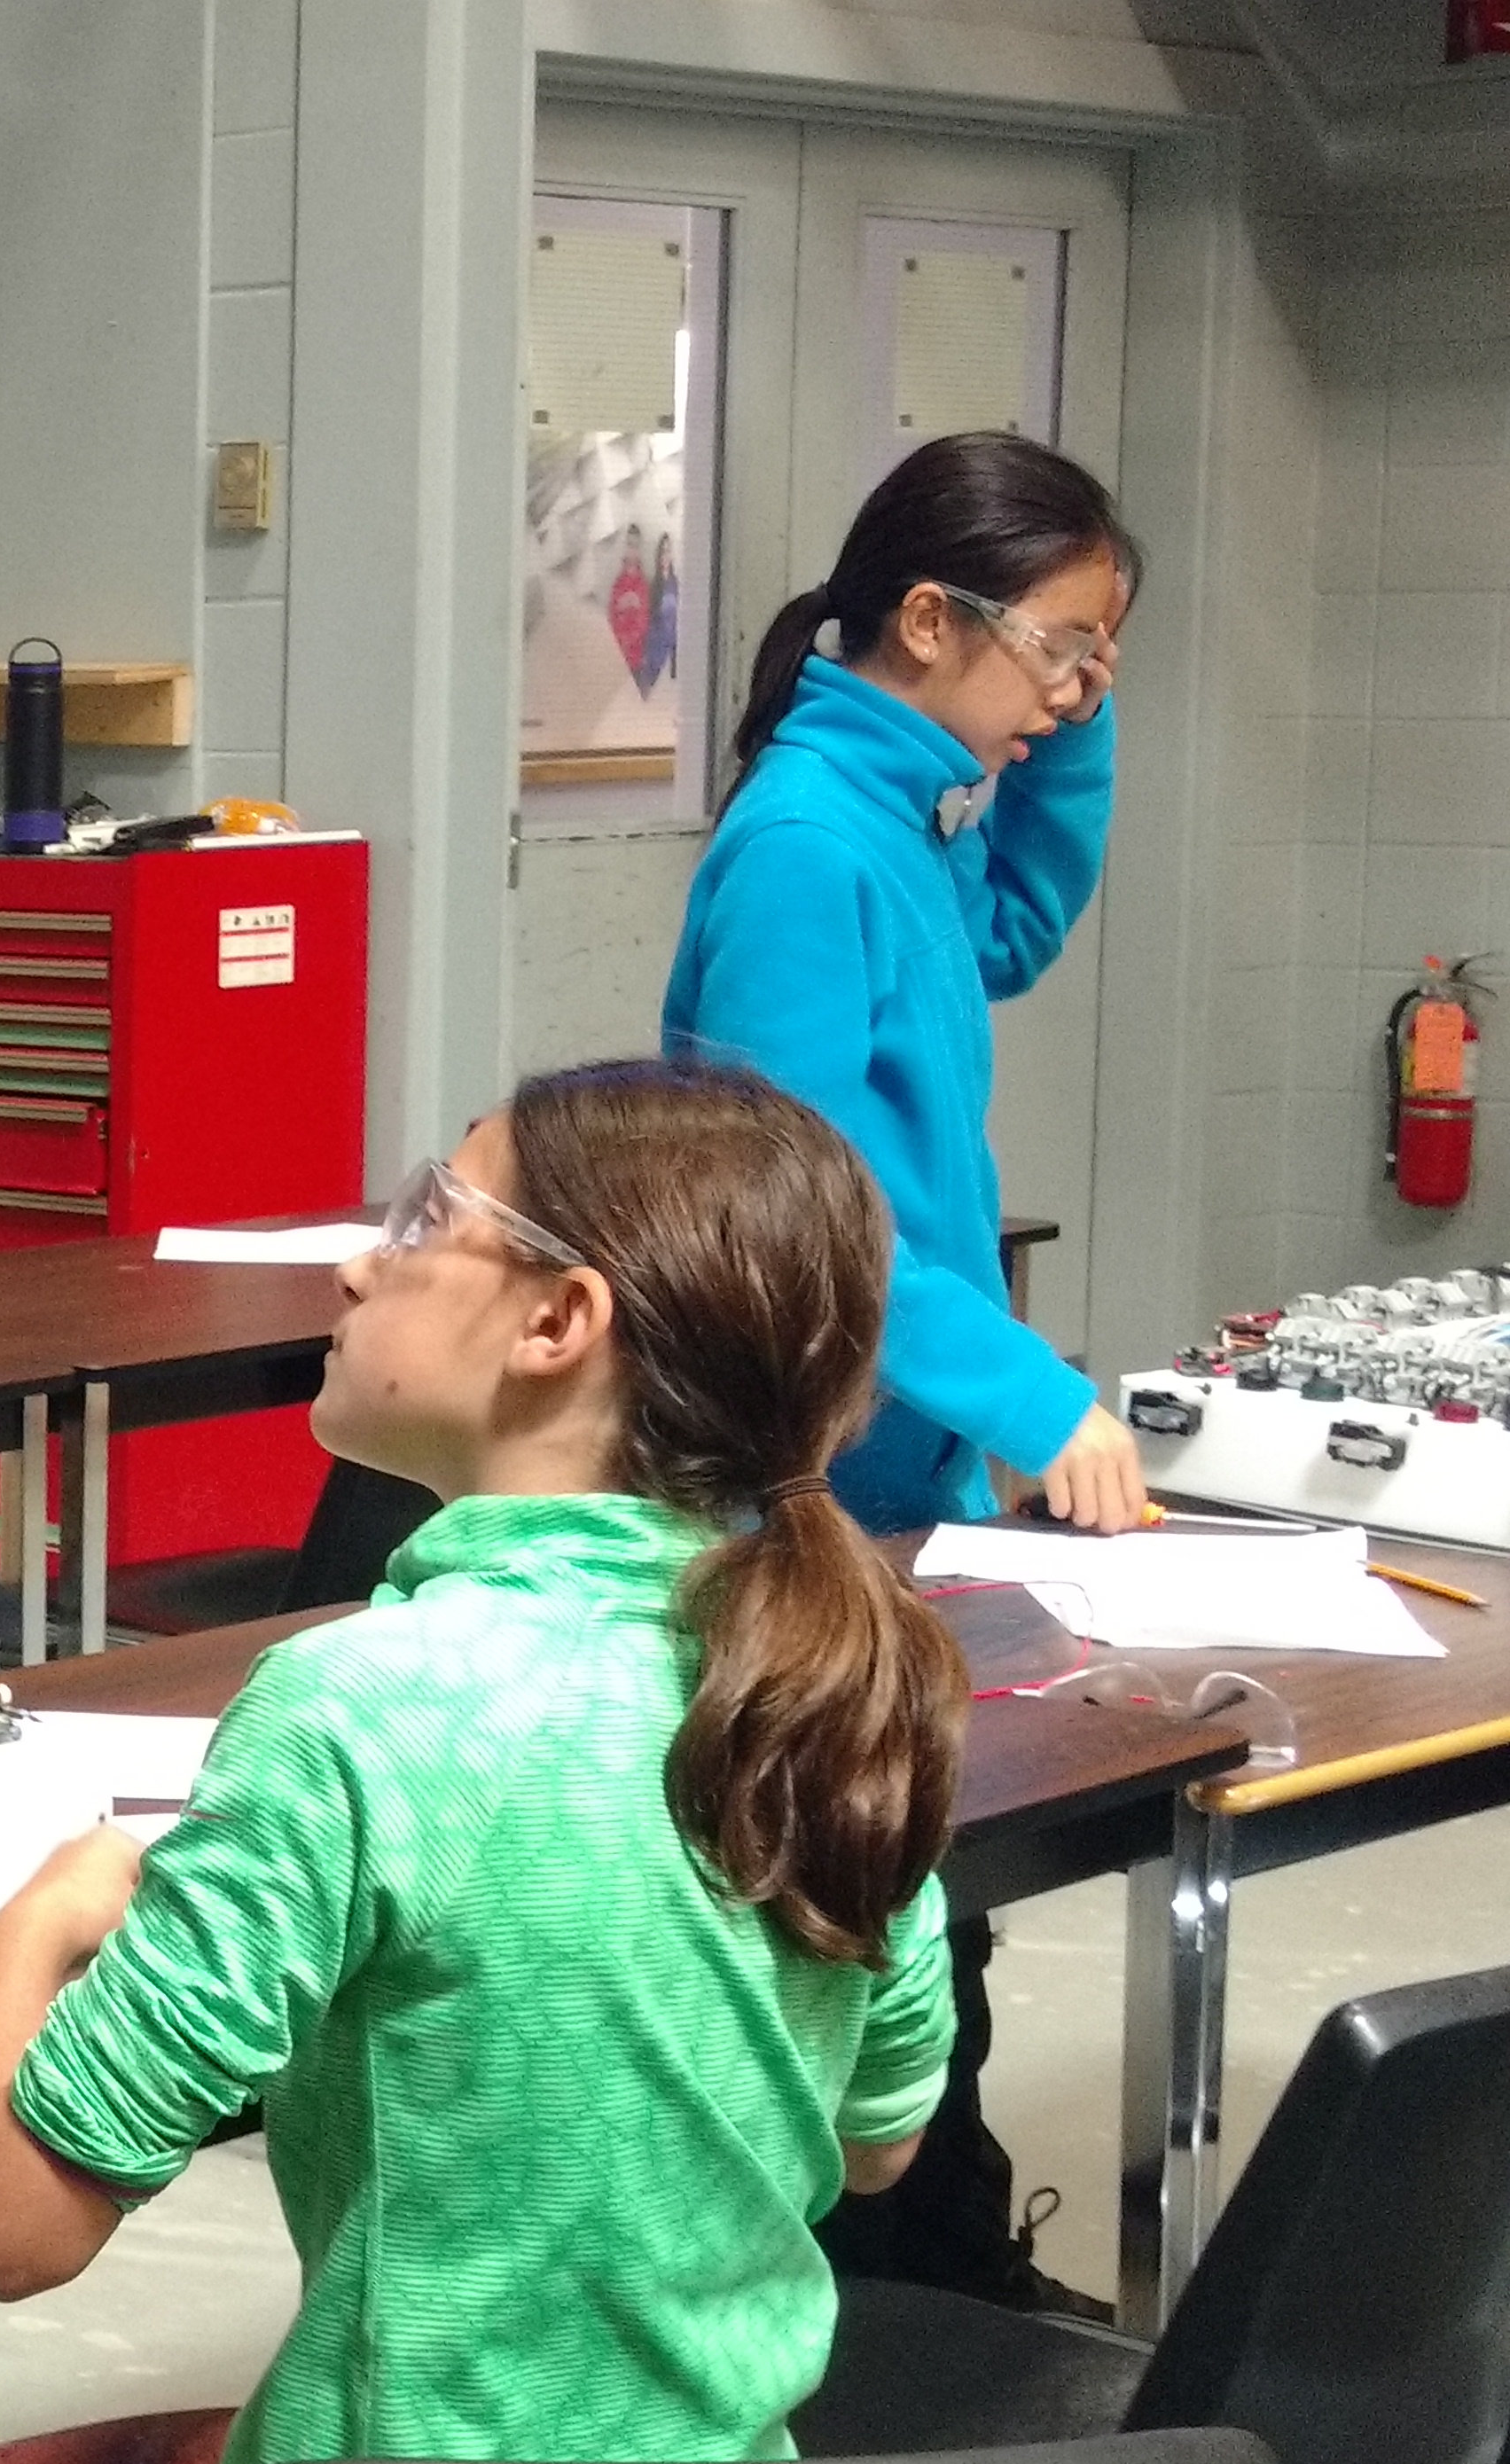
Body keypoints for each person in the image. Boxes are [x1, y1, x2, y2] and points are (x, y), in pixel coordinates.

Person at [0, 1060, 965, 2464]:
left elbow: (12, 2226)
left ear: (558, 1323)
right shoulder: (833, 1691)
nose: (354, 1263)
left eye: (417, 1223)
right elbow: (880, 2142)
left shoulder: (361, 1708)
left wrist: (25, 1936)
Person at [660, 431, 1142, 2313]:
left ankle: (930, 2253)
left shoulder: (911, 816)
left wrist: (1067, 718)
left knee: (918, 1883)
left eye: (1096, 663)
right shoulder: (802, 846)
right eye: (1056, 656)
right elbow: (808, 1209)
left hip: (886, 1459)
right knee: (848, 1901)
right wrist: (1029, 1396)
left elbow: (1010, 930)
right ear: (928, 621)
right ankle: (885, 2289)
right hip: (807, 1464)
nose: (1066, 696)